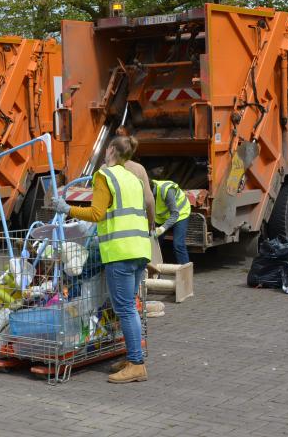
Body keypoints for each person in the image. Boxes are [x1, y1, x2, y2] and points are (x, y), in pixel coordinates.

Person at [55, 136, 151, 383]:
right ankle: (133, 357)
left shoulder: (104, 175)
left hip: (120, 251)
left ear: (110, 150)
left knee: (125, 309)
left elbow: (97, 213)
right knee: (129, 307)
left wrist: (67, 209)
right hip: (140, 248)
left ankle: (136, 364)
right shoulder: (133, 178)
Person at [151, 179, 191, 265]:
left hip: (180, 213)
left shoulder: (166, 190)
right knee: (154, 243)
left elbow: (175, 214)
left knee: (178, 244)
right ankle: (154, 270)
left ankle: (185, 271)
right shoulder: (145, 191)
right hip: (161, 216)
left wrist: (162, 229)